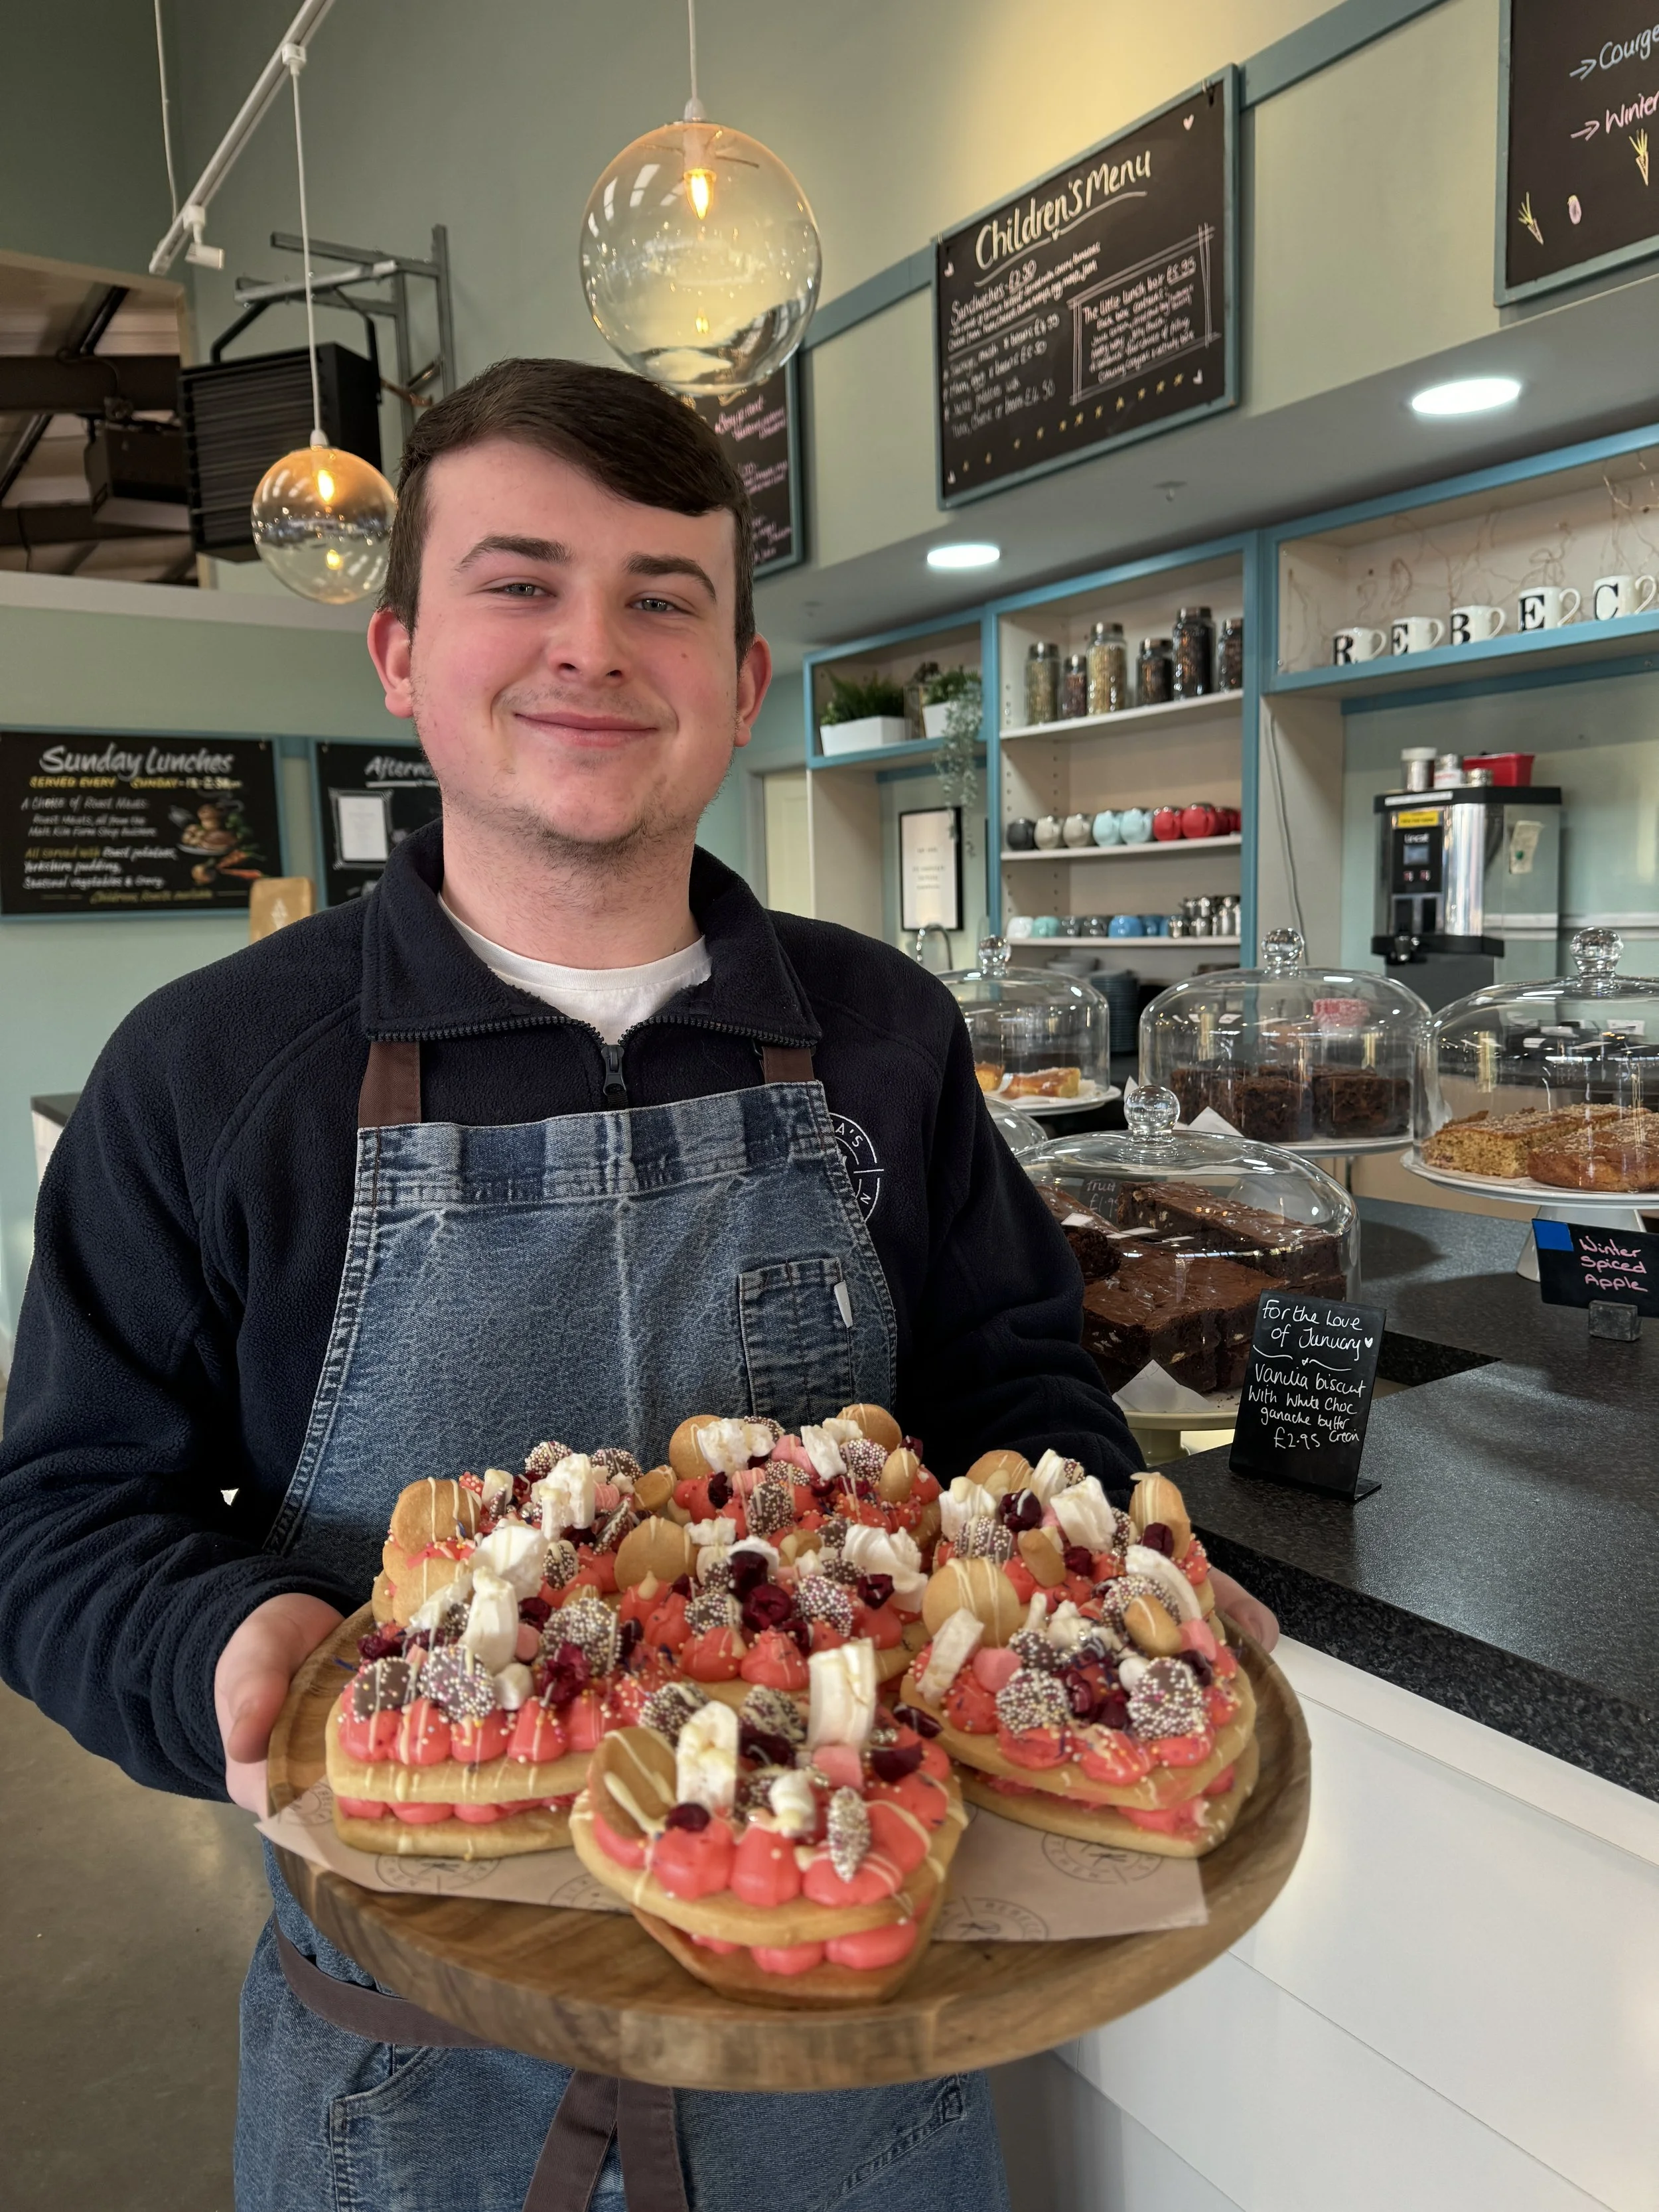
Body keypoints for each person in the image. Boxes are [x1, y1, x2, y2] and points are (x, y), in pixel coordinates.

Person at [0, 357, 1276, 2211]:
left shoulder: (883, 1035)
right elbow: (57, 1515)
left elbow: (1013, 1391)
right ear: (397, 649)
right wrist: (218, 1650)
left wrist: (1090, 1562)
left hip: (857, 2072)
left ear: (739, 682)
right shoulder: (208, 1072)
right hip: (405, 2084)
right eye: (519, 583)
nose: (589, 646)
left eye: (660, 597)